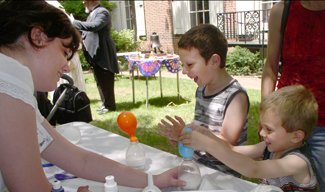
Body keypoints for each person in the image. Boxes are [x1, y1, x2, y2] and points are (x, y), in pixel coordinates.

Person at [0, 1, 185, 191]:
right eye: (64, 52)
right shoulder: (10, 79)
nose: (66, 66)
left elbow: (80, 160)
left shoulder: (11, 85)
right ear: (38, 37)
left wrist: (152, 181)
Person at [181, 85, 318, 191]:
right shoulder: (270, 146)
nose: (262, 134)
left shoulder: (297, 162)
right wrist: (207, 135)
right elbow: (232, 150)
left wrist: (208, 145)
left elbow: (254, 169)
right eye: (262, 127)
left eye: (269, 129)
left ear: (296, 136)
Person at [158, 24, 249, 177]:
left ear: (214, 61)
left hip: (222, 176)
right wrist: (185, 136)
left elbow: (228, 145)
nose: (184, 71)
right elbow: (202, 130)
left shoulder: (236, 97)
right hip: (198, 167)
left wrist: (191, 134)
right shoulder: (202, 89)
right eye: (183, 65)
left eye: (190, 64)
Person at [261, 1, 325, 190]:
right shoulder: (283, 10)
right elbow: (271, 66)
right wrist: (267, 112)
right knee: (279, 182)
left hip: (323, 123)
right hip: (285, 119)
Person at [72, 0, 119, 115]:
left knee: (106, 79)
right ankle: (105, 104)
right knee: (99, 80)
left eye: (85, 2)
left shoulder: (102, 12)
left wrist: (74, 23)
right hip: (96, 54)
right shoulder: (93, 13)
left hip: (103, 53)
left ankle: (110, 106)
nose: (84, 4)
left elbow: (94, 26)